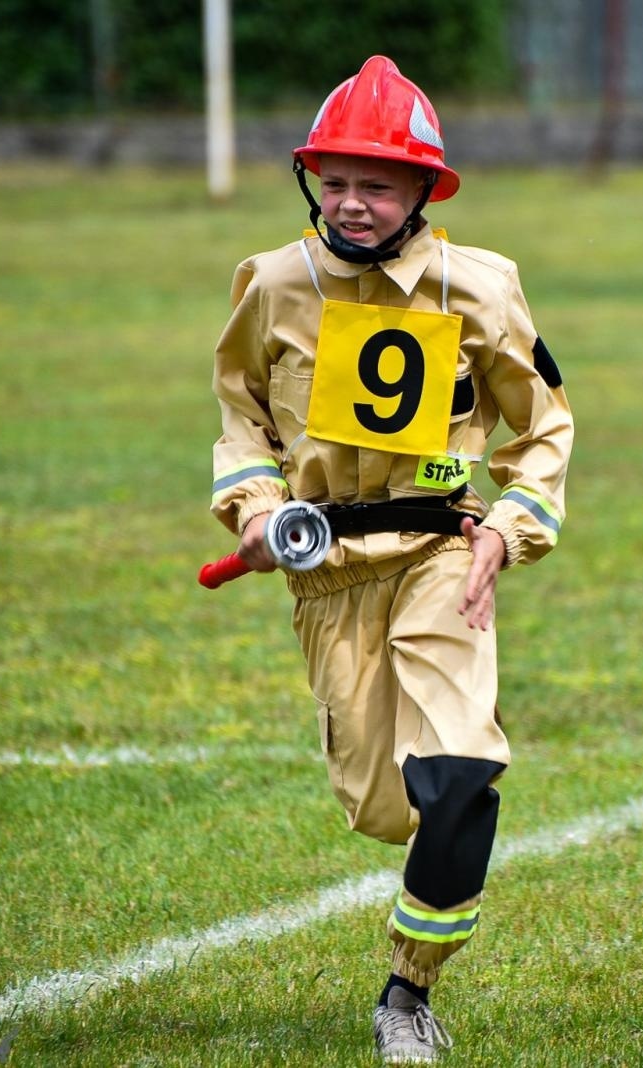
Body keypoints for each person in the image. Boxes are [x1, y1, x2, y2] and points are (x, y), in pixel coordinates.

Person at [207, 55, 573, 1063]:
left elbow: (543, 427)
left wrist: (506, 528)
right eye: (335, 180)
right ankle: (412, 872)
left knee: (460, 780)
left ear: (424, 191)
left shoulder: (480, 286)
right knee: (383, 806)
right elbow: (239, 417)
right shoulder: (274, 282)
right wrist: (256, 502)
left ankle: (406, 991)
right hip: (328, 576)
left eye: (377, 183)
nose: (353, 203)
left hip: (440, 560)